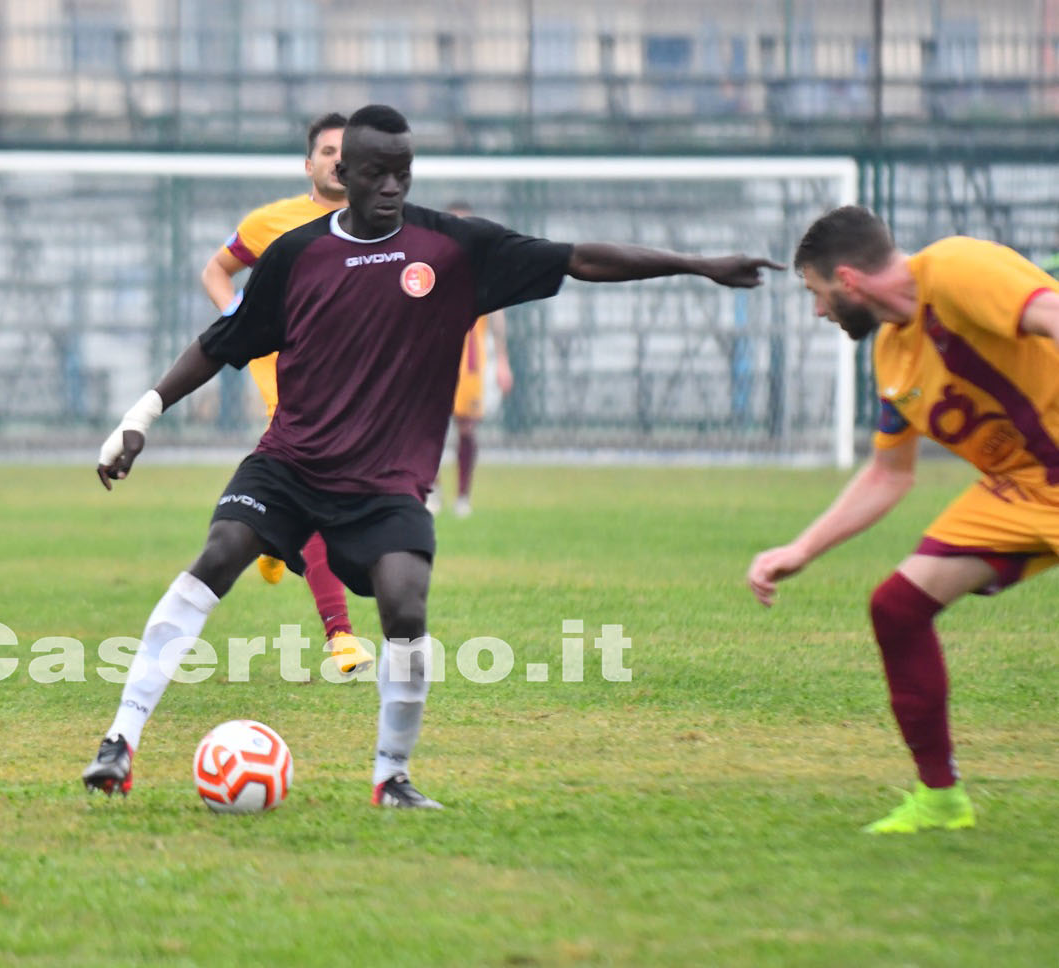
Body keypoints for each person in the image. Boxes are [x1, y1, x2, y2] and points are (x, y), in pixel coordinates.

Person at [82, 104, 778, 806]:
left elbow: (578, 258)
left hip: (386, 483)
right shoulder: (297, 255)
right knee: (220, 552)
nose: (392, 186)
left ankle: (392, 776)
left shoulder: (451, 249)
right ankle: (120, 741)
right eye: (377, 173)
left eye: (404, 173)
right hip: (291, 463)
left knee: (406, 609)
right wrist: (141, 417)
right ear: (342, 173)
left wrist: (696, 266)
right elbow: (218, 342)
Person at [748, 206, 1059, 834]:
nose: (818, 311)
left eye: (816, 294)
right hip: (1023, 494)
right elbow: (889, 475)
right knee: (897, 607)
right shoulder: (893, 357)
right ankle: (941, 798)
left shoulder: (955, 268)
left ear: (847, 279)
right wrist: (801, 548)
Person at [201, 112, 372, 677]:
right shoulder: (272, 223)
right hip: (291, 388)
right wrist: (241, 322)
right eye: (328, 151)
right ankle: (340, 635)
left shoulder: (380, 227)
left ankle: (276, 544)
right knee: (322, 500)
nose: (338, 160)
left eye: (348, 152)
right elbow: (217, 270)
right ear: (310, 164)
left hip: (355, 392)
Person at [427, 201, 514, 518]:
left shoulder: (483, 268)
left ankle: (463, 496)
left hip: (471, 360)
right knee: (430, 425)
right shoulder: (431, 264)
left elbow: (497, 315)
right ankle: (431, 489)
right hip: (435, 356)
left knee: (466, 427)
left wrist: (502, 360)